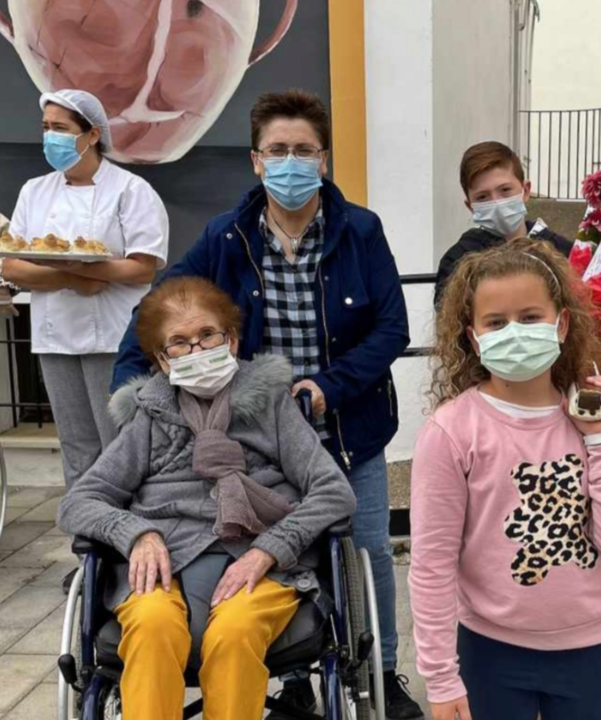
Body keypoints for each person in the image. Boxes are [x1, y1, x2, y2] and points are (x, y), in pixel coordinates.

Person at [109, 90, 420, 719]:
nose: (291, 162)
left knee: (365, 551)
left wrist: (327, 386)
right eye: (278, 150)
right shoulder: (226, 236)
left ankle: (383, 670)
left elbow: (391, 327)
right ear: (256, 160)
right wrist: (135, 391)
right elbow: (162, 310)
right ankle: (298, 680)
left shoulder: (361, 230)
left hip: (347, 422)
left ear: (324, 160)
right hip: (260, 430)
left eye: (304, 150)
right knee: (280, 545)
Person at [57, 276, 358, 720]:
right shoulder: (147, 417)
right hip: (164, 562)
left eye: (207, 335)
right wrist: (136, 534)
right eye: (179, 343)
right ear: (162, 361)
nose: (197, 351)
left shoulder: (271, 405)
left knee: (235, 633)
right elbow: (79, 501)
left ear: (231, 340)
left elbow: (334, 491)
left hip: (261, 560)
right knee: (151, 625)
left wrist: (269, 550)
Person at [410, 239, 601, 720]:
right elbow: (432, 565)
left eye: (530, 317)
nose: (514, 332)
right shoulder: (452, 431)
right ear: (474, 337)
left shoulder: (592, 416)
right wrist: (440, 677)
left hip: (590, 648)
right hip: (490, 650)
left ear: (561, 323)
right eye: (496, 323)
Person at [2, 89, 169, 493]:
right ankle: (86, 545)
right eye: (46, 128)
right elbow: (12, 263)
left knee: (120, 443)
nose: (50, 138)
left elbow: (143, 266)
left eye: (60, 128)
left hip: (113, 336)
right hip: (54, 336)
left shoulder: (130, 190)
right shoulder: (34, 191)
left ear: (92, 134)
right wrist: (75, 278)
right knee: (76, 447)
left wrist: (94, 269)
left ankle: (129, 542)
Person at [432, 141, 572, 306]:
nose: (497, 202)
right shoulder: (457, 261)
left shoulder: (562, 251)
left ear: (525, 191)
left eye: (505, 190)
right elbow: (450, 321)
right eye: (482, 197)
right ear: (470, 206)